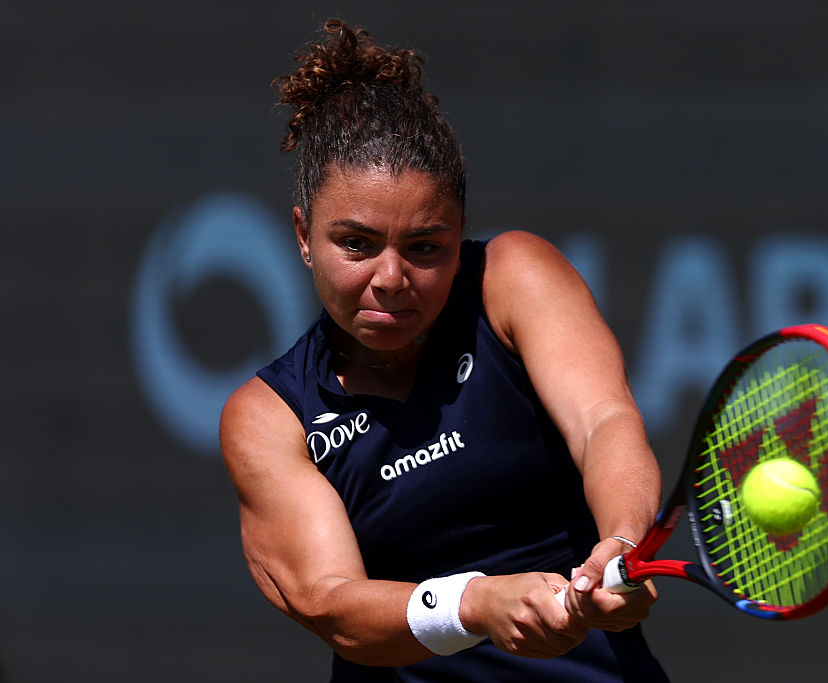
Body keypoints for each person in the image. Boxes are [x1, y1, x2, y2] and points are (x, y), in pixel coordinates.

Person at [220, 19, 670, 682]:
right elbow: (333, 603)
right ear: (304, 236)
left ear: (460, 235)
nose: (391, 277)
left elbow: (605, 420)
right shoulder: (268, 416)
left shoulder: (513, 278)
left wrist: (624, 543)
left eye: (425, 247)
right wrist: (474, 604)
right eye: (356, 244)